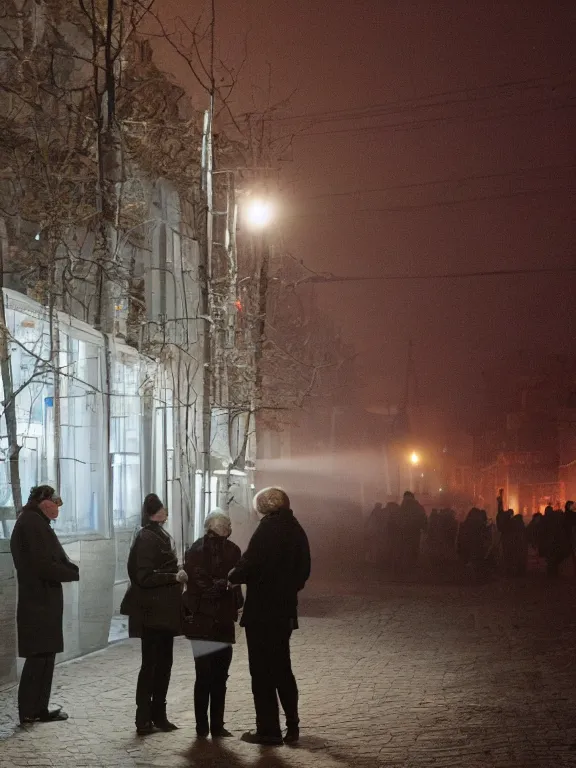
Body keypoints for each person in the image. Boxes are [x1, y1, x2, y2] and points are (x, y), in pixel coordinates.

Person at [228, 487, 311, 746]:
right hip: (284, 610)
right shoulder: (296, 529)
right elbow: (303, 570)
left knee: (262, 672)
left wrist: (234, 576)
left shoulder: (266, 530)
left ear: (265, 506)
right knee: (283, 668)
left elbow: (249, 563)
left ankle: (268, 729)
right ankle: (292, 725)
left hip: (262, 611)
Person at [10, 485, 80, 725]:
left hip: (42, 600)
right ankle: (30, 710)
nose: (58, 508)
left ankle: (38, 708)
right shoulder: (31, 523)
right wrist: (71, 571)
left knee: (44, 655)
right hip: (37, 601)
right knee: (38, 656)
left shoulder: (35, 521)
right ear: (43, 502)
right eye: (55, 503)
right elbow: (43, 564)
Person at [120, 494, 186, 735]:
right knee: (152, 665)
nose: (166, 511)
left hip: (162, 611)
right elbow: (143, 576)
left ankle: (157, 715)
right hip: (152, 611)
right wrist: (173, 576)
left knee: (162, 664)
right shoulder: (147, 537)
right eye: (162, 508)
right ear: (154, 512)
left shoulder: (155, 534)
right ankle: (144, 717)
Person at [183, 510, 243, 739]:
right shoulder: (233, 550)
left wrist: (219, 586)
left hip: (201, 620)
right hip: (221, 620)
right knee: (220, 676)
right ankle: (216, 725)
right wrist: (225, 587)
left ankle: (203, 726)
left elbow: (199, 584)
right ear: (226, 529)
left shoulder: (195, 550)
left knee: (204, 675)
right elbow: (233, 581)